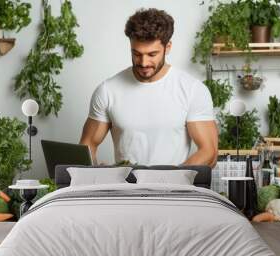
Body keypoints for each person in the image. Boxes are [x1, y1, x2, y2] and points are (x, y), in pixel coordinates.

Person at [79, 8, 218, 167]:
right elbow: (87, 146)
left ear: (168, 47)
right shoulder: (107, 90)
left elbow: (209, 153)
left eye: (152, 54)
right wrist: (96, 175)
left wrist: (170, 180)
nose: (144, 63)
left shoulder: (192, 90)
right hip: (123, 188)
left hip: (173, 189)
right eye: (137, 54)